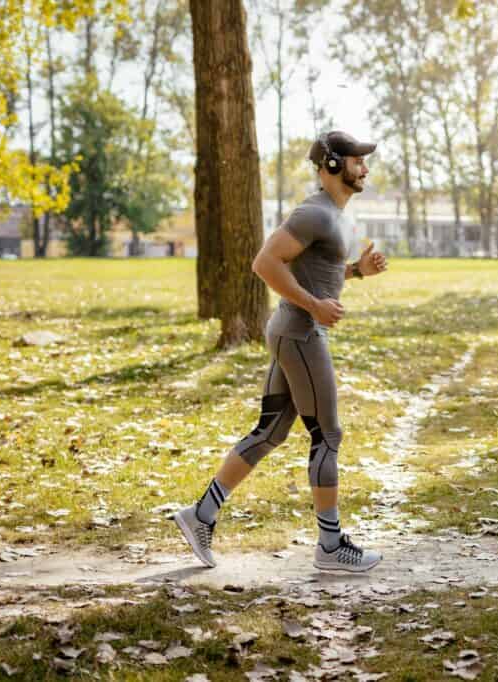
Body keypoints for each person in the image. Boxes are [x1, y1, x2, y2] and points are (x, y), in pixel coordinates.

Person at [175, 131, 388, 573]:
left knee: (271, 431)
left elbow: (318, 272)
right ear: (332, 164)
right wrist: (313, 306)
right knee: (327, 435)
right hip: (301, 332)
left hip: (292, 330)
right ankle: (330, 546)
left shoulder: (336, 216)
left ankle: (201, 516)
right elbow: (265, 262)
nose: (364, 168)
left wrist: (356, 272)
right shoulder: (313, 213)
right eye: (356, 162)